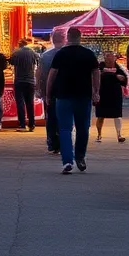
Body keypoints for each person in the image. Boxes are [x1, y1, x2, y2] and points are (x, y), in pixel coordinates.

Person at [47, 27, 100, 174]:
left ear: (68, 37)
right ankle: (80, 157)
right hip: (84, 96)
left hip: (63, 96)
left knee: (65, 129)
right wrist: (96, 91)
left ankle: (67, 161)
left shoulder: (60, 54)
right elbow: (96, 73)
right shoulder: (88, 54)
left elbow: (52, 75)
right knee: (83, 128)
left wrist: (48, 94)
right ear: (80, 37)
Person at [38, 32, 65, 154]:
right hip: (65, 90)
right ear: (64, 39)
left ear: (52, 40)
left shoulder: (45, 55)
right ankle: (63, 141)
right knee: (65, 117)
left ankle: (52, 142)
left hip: (50, 90)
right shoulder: (67, 53)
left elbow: (40, 74)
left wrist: (41, 90)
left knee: (51, 117)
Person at [94, 51, 128, 143]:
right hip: (102, 94)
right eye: (108, 57)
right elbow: (99, 77)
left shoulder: (118, 68)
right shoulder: (100, 67)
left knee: (117, 115)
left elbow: (124, 79)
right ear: (105, 58)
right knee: (100, 116)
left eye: (112, 57)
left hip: (115, 94)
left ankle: (119, 135)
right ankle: (99, 135)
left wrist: (120, 78)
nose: (110, 59)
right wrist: (115, 77)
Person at [9, 38, 40, 132]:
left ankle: (22, 124)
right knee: (30, 103)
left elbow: (11, 62)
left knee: (20, 103)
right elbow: (38, 61)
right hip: (30, 81)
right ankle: (32, 124)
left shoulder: (16, 53)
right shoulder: (33, 52)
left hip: (19, 80)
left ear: (20, 44)